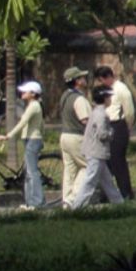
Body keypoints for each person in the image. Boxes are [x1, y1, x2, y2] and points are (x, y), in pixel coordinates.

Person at [67, 84, 124, 209]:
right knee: (90, 180)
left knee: (107, 181)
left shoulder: (96, 112)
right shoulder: (101, 114)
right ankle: (77, 207)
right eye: (109, 97)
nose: (110, 99)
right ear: (104, 98)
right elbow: (102, 134)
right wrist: (112, 133)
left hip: (97, 152)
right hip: (96, 152)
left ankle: (120, 204)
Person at [0, 81, 45, 209]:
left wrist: (8, 135)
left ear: (33, 94)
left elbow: (22, 122)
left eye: (25, 91)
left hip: (33, 139)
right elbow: (41, 125)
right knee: (28, 172)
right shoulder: (31, 105)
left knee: (32, 172)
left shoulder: (34, 105)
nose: (22, 93)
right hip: (29, 139)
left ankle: (37, 202)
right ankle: (30, 202)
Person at [94, 65, 135, 198]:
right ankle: (107, 194)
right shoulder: (105, 90)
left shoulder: (121, 89)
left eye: (101, 80)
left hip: (118, 125)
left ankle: (126, 193)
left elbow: (129, 111)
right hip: (106, 124)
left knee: (118, 162)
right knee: (107, 162)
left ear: (108, 77)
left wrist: (127, 127)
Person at [55, 68, 90, 206]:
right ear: (77, 81)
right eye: (82, 77)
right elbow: (85, 120)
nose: (84, 79)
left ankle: (66, 198)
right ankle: (74, 198)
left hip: (65, 135)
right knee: (88, 166)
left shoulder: (65, 96)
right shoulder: (79, 98)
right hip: (77, 136)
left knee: (70, 169)